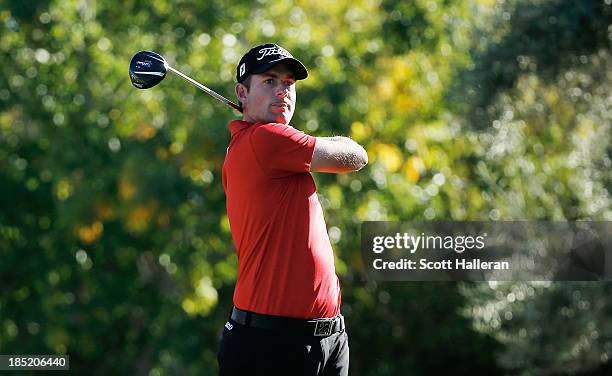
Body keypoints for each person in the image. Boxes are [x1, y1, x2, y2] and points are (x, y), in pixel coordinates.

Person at [217, 42, 368, 376]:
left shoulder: (261, 140)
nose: (282, 91)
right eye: (269, 81)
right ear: (242, 92)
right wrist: (304, 138)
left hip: (326, 337)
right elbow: (356, 156)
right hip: (274, 344)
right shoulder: (265, 140)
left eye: (288, 83)